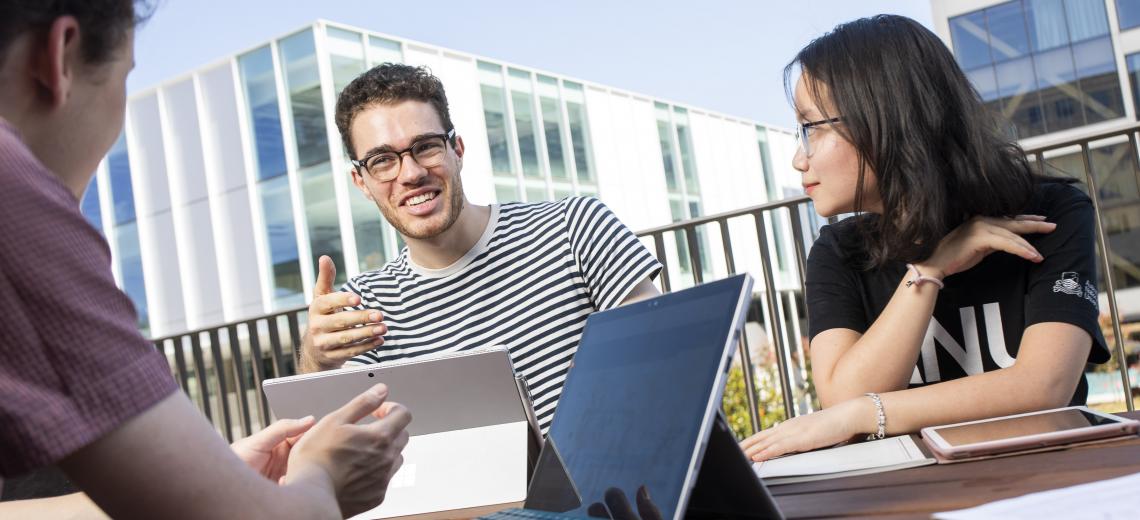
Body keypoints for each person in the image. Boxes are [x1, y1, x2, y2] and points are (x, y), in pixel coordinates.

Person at [0, 1, 411, 517]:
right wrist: (320, 480)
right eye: (124, 77)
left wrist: (218, 479)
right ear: (60, 57)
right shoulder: (15, 202)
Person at [741, 14, 1110, 461]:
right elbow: (843, 395)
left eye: (813, 127)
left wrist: (863, 415)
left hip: (1047, 473)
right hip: (909, 488)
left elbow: (1045, 385)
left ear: (884, 119)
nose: (800, 158)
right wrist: (928, 271)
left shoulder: (1048, 211)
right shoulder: (839, 251)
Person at [300, 63, 662, 430]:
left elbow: (668, 356)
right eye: (382, 161)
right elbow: (325, 444)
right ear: (361, 181)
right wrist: (317, 361)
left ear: (456, 149)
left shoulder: (574, 227)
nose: (410, 174)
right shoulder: (366, 305)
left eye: (425, 147)